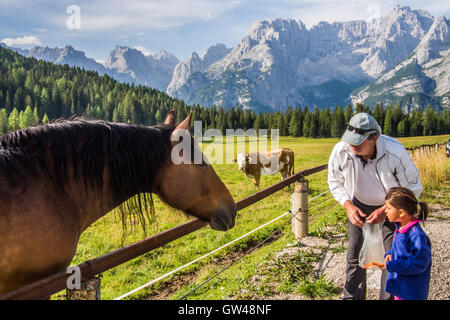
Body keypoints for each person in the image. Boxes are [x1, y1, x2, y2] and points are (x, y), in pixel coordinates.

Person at [327, 112, 423, 300]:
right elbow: (334, 181)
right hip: (358, 205)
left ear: (374, 138)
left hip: (392, 208)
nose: (352, 145)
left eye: (358, 142)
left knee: (392, 257)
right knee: (354, 257)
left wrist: (386, 210)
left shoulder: (395, 152)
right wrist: (348, 205)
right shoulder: (341, 150)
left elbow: (413, 186)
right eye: (350, 140)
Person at [383, 187, 431, 300]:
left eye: (388, 208)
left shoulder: (415, 235)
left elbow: (420, 263)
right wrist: (390, 253)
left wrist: (394, 265)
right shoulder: (401, 228)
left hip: (411, 292)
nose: (385, 211)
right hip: (401, 288)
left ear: (401, 213)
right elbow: (401, 251)